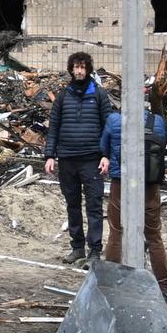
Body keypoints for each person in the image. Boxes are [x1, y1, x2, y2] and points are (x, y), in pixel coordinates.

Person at [44, 51, 114, 263]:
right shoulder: (63, 96)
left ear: (88, 69)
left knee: (93, 205)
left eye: (83, 67)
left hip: (92, 160)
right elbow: (53, 127)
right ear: (71, 69)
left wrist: (106, 155)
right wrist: (49, 155)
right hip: (67, 160)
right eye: (76, 67)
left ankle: (94, 251)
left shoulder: (99, 94)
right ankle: (77, 248)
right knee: (72, 204)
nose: (79, 71)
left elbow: (109, 127)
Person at [99, 104, 167, 292]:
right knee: (153, 236)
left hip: (122, 183)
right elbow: (164, 145)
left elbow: (104, 146)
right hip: (149, 185)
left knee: (116, 233)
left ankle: (112, 284)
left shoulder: (114, 120)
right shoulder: (157, 121)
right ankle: (163, 286)